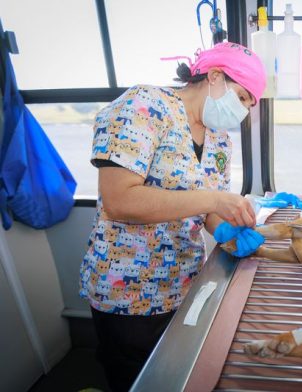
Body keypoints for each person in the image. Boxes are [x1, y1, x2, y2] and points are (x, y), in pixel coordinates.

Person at [78, 42, 266, 392]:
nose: (242, 112)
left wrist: (226, 232)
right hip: (128, 292)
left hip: (183, 285)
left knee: (173, 377)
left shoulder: (219, 141)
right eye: (241, 98)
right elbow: (120, 199)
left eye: (249, 106)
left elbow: (207, 208)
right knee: (134, 378)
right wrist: (214, 199)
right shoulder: (144, 106)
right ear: (214, 77)